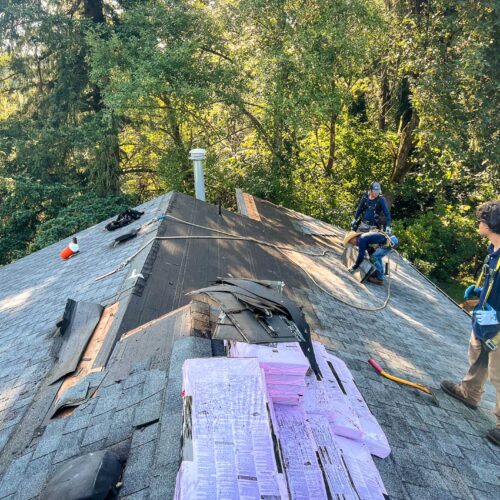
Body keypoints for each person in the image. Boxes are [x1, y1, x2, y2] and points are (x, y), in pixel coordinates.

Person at [441, 200, 500, 446]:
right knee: (478, 353)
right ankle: (469, 392)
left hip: (498, 321)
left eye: (481, 220)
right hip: (489, 315)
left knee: (499, 373)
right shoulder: (493, 250)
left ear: (489, 224)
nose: (478, 223)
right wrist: (479, 291)